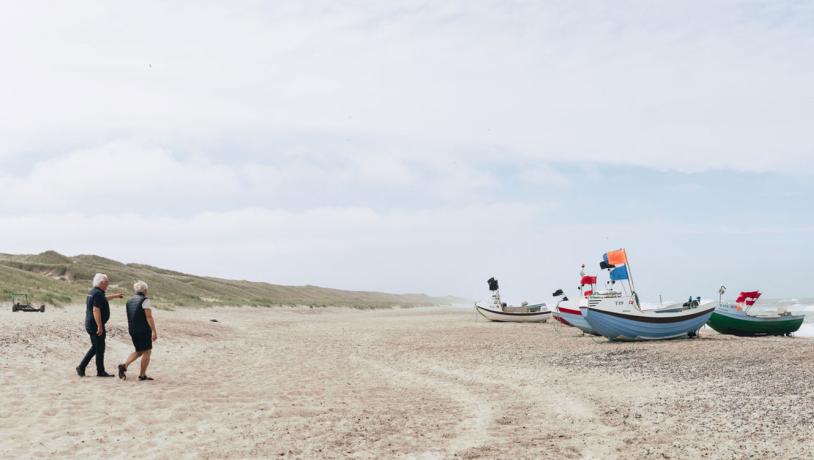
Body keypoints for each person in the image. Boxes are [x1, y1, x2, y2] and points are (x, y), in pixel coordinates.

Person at [77, 273, 124, 377]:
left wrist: (115, 296)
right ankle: (99, 371)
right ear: (102, 283)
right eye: (107, 282)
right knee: (100, 347)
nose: (108, 284)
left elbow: (104, 299)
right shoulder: (98, 294)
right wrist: (99, 325)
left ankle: (82, 367)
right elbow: (96, 309)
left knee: (96, 347)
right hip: (95, 325)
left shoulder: (93, 292)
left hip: (89, 323)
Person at [118, 281, 158, 381]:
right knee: (147, 351)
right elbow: (149, 317)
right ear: (145, 290)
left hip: (132, 329)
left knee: (139, 351)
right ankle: (142, 375)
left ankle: (124, 366)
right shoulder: (145, 300)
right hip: (143, 330)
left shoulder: (129, 301)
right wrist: (154, 331)